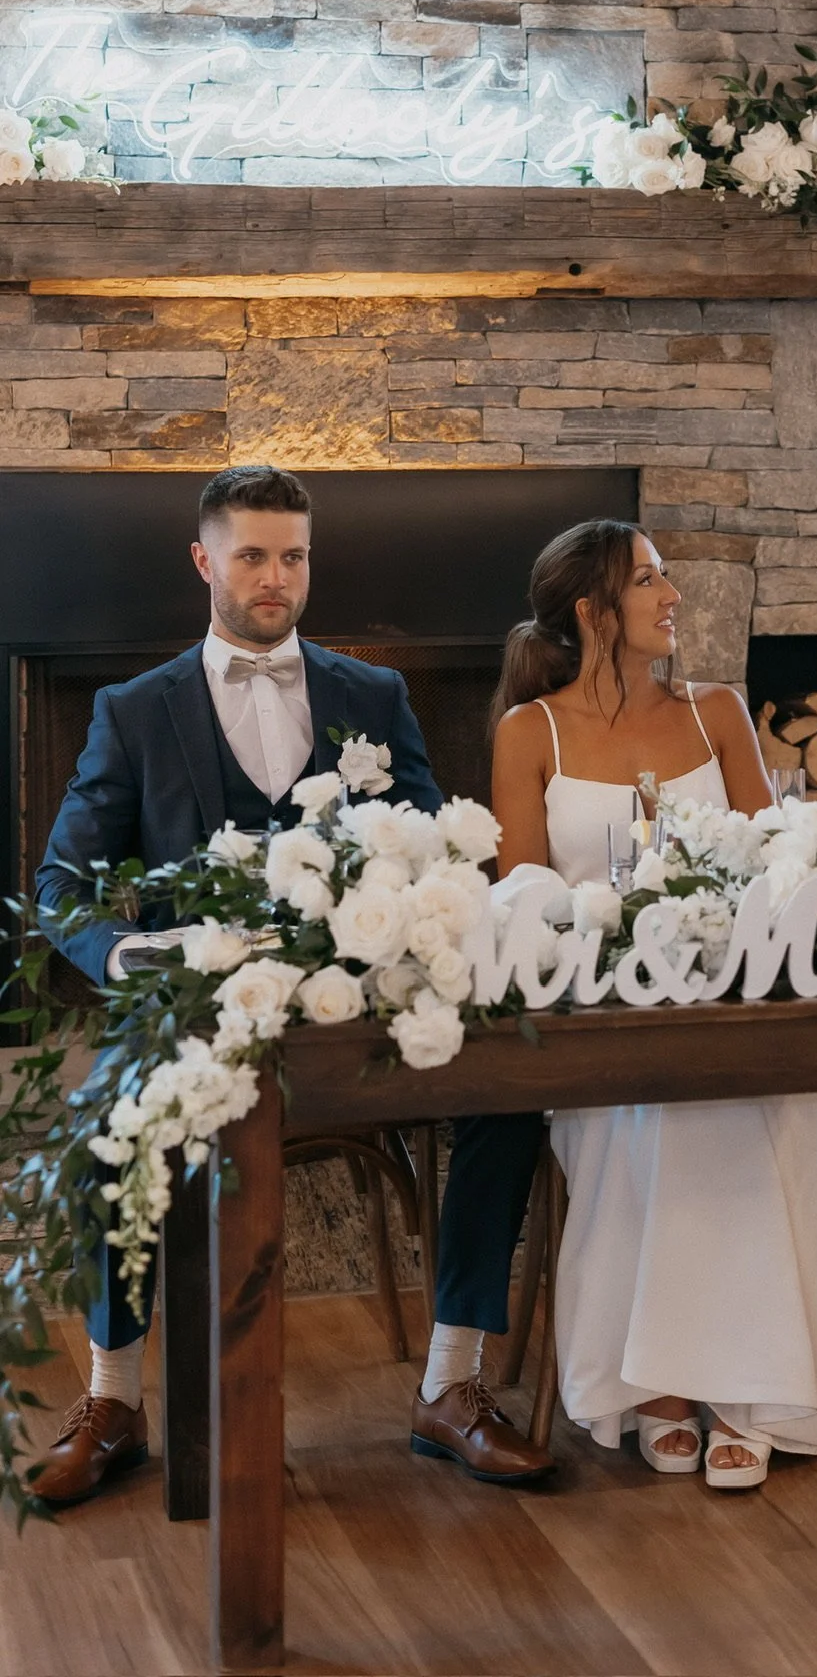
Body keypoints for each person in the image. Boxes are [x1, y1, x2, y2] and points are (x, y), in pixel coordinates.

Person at [31, 464, 552, 1504]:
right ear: (205, 561)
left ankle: (452, 1387)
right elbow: (62, 887)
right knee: (101, 1117)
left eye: (294, 557)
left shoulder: (375, 694)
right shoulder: (134, 713)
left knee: (508, 1092)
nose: (276, 578)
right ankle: (117, 1398)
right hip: (202, 1024)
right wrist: (132, 959)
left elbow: (436, 855)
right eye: (254, 555)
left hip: (359, 1021)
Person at [490, 519, 817, 1489]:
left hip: (730, 1004)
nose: (673, 594)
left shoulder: (720, 714)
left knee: (771, 1102)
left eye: (666, 576)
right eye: (649, 579)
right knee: (661, 1115)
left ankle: (753, 1387)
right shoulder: (528, 734)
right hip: (600, 1028)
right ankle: (661, 1380)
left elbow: (779, 867)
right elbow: (519, 900)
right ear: (593, 610)